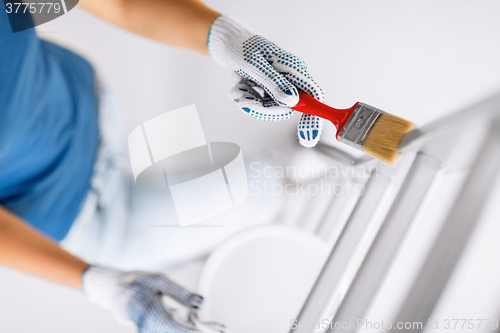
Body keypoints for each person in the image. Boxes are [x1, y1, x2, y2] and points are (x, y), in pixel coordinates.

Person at [0, 0, 324, 331]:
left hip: (94, 103)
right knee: (266, 187)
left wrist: (235, 43)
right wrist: (101, 284)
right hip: (92, 221)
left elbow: (120, 5)